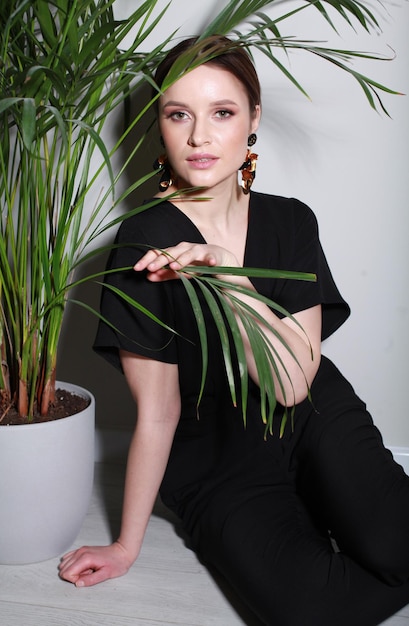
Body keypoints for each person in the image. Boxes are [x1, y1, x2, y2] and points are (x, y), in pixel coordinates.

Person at [59, 36, 409, 625]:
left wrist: (228, 275)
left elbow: (294, 383)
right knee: (314, 613)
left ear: (252, 118)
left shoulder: (291, 219)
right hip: (217, 463)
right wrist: (126, 546)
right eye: (178, 115)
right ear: (160, 125)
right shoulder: (143, 244)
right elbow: (159, 412)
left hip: (314, 417)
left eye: (222, 112)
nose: (199, 137)